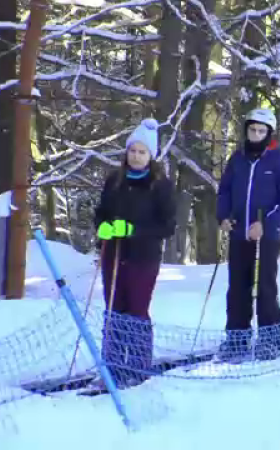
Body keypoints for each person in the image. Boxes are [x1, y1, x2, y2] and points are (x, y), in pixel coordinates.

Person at [93, 118, 176, 388]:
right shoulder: (115, 181)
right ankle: (113, 367)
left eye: (142, 152)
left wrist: (132, 229)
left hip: (143, 257)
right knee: (114, 309)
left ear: (150, 155)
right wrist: (102, 228)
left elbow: (167, 226)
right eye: (132, 151)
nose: (136, 156)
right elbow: (101, 213)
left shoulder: (159, 185)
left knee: (137, 310)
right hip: (114, 254)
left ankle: (138, 368)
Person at [216, 107, 280, 360]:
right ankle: (237, 337)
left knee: (265, 286)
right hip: (239, 233)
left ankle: (270, 338)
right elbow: (225, 191)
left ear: (269, 133)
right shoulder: (237, 159)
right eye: (252, 130)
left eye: (261, 131)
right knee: (238, 287)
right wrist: (224, 217)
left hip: (266, 235)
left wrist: (267, 223)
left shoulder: (279, 161)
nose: (256, 135)